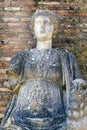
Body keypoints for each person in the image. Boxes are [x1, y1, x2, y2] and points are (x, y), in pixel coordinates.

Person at [1, 10, 86, 130]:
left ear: (54, 29)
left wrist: (78, 82)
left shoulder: (65, 57)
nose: (42, 26)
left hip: (57, 116)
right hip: (22, 115)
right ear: (33, 29)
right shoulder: (23, 56)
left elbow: (77, 80)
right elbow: (12, 84)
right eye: (39, 23)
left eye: (47, 23)